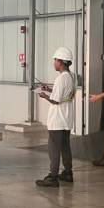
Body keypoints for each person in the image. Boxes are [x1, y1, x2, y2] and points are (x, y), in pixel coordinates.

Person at [35, 47, 76, 187]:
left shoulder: (60, 78)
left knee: (53, 148)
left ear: (60, 62)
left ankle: (53, 177)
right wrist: (49, 89)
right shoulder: (72, 76)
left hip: (58, 119)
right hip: (67, 117)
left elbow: (56, 100)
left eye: (55, 60)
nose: (54, 63)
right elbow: (64, 94)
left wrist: (44, 95)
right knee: (65, 146)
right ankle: (68, 172)